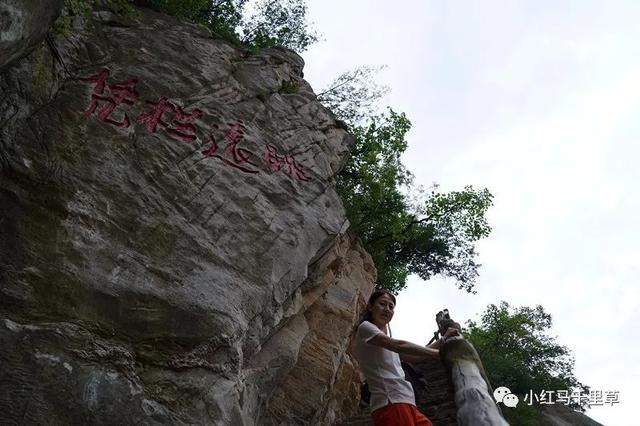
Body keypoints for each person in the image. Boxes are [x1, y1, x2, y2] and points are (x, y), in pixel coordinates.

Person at [353, 288, 459, 426]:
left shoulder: (384, 340)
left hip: (405, 400)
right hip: (389, 401)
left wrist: (443, 339)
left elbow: (413, 356)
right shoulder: (366, 328)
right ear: (370, 307)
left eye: (391, 306)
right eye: (382, 304)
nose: (387, 309)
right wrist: (439, 355)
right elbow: (398, 345)